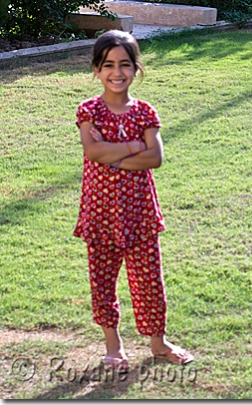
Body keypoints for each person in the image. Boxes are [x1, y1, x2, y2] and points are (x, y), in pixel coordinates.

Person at [74, 30, 194, 370]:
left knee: (149, 282)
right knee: (102, 281)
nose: (117, 72)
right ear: (96, 70)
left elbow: (155, 157)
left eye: (125, 64)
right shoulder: (89, 110)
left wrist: (112, 155)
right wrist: (131, 148)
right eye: (108, 65)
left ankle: (158, 343)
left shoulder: (144, 112)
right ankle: (113, 346)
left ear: (136, 68)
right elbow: (92, 150)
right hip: (99, 213)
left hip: (139, 212)